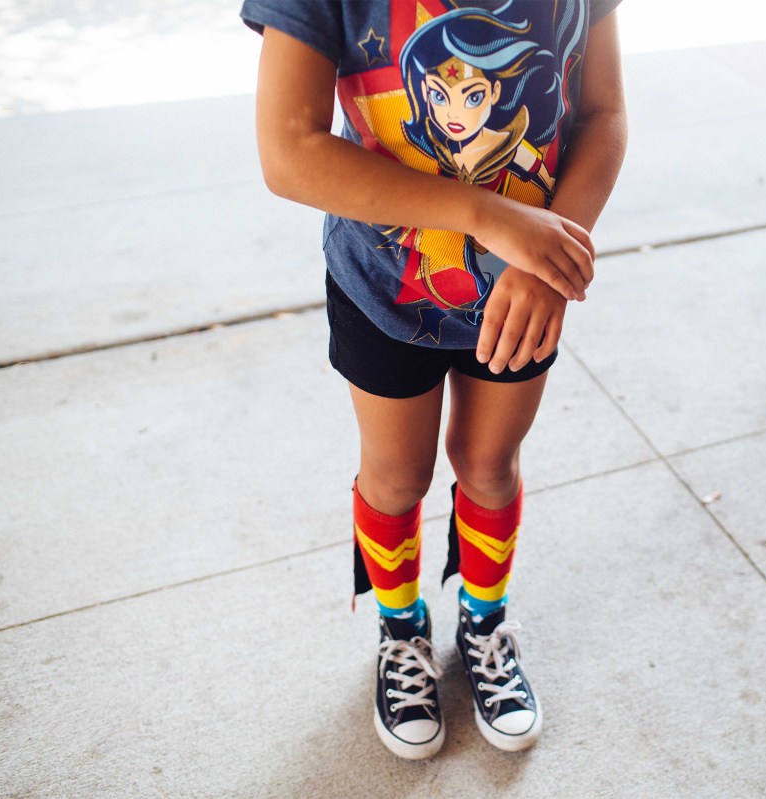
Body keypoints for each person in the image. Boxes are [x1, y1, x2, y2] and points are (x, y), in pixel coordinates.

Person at [240, 0, 626, 760]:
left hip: (525, 289)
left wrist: (554, 248)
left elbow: (604, 113)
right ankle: (401, 630)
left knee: (489, 464)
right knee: (396, 474)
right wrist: (487, 216)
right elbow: (288, 152)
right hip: (382, 286)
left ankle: (484, 622)